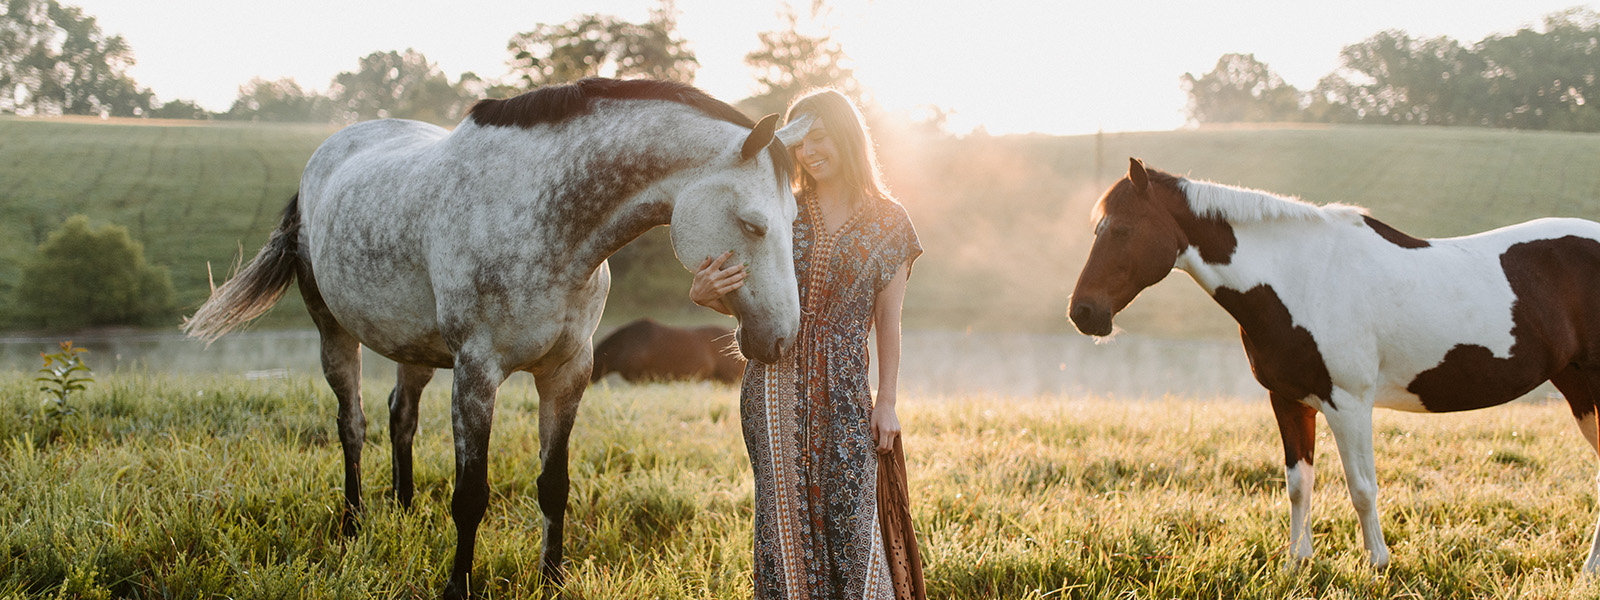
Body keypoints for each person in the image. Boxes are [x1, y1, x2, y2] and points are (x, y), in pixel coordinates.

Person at [691, 89, 924, 600]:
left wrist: (886, 402)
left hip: (845, 392)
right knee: (784, 532)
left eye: (818, 138)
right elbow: (749, 295)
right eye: (799, 143)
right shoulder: (781, 210)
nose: (809, 152)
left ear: (846, 137)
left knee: (853, 525)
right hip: (772, 385)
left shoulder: (892, 223)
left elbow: (889, 319)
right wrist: (707, 296)